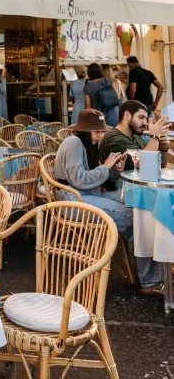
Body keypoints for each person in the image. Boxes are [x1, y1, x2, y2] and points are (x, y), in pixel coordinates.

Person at [55, 108, 163, 295]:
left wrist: (114, 170)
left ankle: (145, 274)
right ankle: (148, 279)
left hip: (86, 194)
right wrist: (105, 167)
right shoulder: (73, 143)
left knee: (138, 208)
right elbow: (79, 179)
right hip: (73, 200)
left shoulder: (85, 143)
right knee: (134, 217)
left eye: (102, 131)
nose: (101, 135)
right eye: (97, 131)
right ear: (85, 130)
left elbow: (93, 178)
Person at [84, 62, 121, 127]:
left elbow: (88, 105)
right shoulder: (109, 81)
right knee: (112, 134)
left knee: (100, 134)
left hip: (97, 115)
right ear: (100, 71)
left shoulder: (87, 87)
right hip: (113, 113)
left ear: (89, 73)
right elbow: (118, 97)